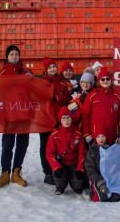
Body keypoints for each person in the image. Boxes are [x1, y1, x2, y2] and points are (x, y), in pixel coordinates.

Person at [0, 45, 32, 188]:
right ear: (7, 57)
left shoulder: (27, 72)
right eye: (11, 54)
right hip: (8, 114)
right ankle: (4, 173)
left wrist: (31, 79)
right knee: (7, 144)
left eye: (16, 54)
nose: (14, 57)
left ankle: (16, 172)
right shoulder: (1, 73)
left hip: (24, 113)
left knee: (22, 144)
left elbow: (34, 90)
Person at [40, 57, 71, 185]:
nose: (52, 69)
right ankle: (47, 172)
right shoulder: (41, 83)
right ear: (46, 70)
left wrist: (58, 97)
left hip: (58, 120)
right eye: (49, 67)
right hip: (45, 119)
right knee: (45, 146)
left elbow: (66, 100)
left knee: (59, 145)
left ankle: (58, 170)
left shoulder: (62, 82)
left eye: (53, 66)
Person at [46, 107, 86, 195]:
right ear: (60, 120)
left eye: (68, 117)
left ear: (71, 119)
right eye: (64, 118)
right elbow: (49, 154)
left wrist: (80, 168)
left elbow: (82, 153)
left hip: (74, 163)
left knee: (78, 184)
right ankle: (60, 187)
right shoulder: (54, 135)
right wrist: (56, 167)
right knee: (58, 175)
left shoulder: (78, 134)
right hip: (62, 163)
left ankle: (75, 184)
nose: (66, 120)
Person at [82, 67, 120, 145]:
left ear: (111, 80)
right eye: (102, 79)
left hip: (112, 135)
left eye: (107, 79)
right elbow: (85, 115)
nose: (105, 81)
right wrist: (87, 134)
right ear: (99, 81)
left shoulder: (116, 96)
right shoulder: (92, 95)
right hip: (96, 136)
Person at [85, 125, 120, 202]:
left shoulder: (110, 148)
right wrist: (100, 182)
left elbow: (118, 161)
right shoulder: (91, 151)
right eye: (98, 137)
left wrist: (119, 146)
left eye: (103, 136)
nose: (101, 139)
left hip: (110, 178)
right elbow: (90, 170)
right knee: (101, 197)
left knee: (118, 195)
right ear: (95, 138)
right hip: (98, 179)